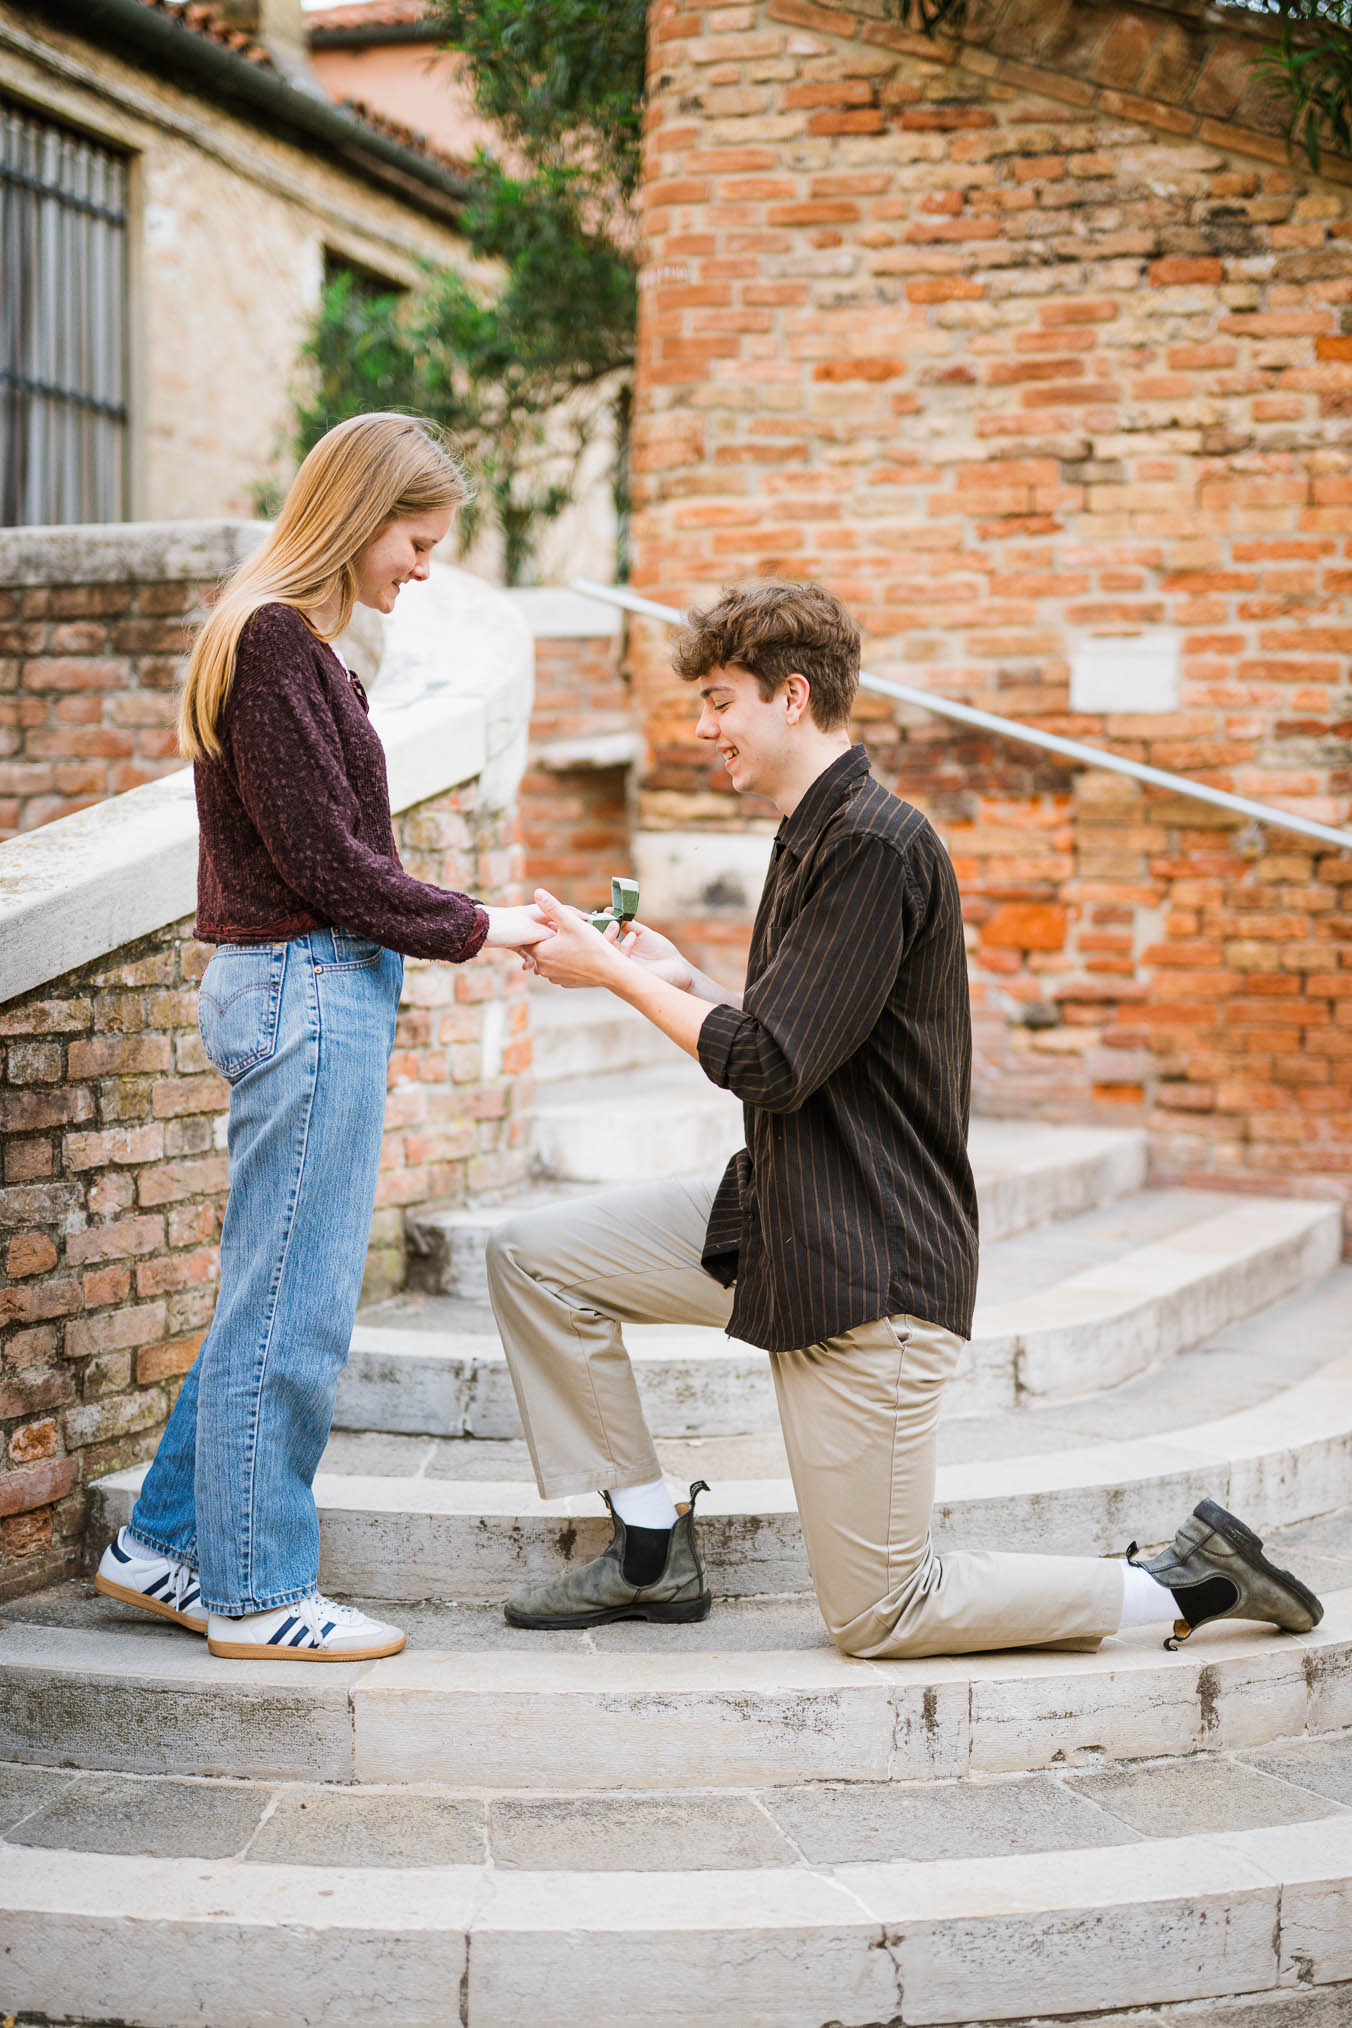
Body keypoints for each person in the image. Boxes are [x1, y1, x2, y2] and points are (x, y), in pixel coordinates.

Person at [488, 580, 1325, 1658]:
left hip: (865, 1271)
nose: (701, 729)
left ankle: (1187, 1587)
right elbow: (800, 1033)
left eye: (718, 701)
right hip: (783, 1222)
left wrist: (609, 972)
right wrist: (674, 969)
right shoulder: (810, 834)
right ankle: (650, 1553)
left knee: (881, 1612)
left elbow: (770, 1065)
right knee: (534, 1260)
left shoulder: (873, 845)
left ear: (791, 698)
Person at [95, 413, 550, 1663]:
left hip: (307, 982)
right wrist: (485, 923)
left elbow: (341, 864)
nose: (421, 566)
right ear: (357, 515)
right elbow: (332, 869)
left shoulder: (297, 646)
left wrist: (480, 922)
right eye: (415, 538)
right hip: (306, 982)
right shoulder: (275, 645)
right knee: (293, 1314)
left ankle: (162, 1546)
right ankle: (256, 1593)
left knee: (269, 1293)